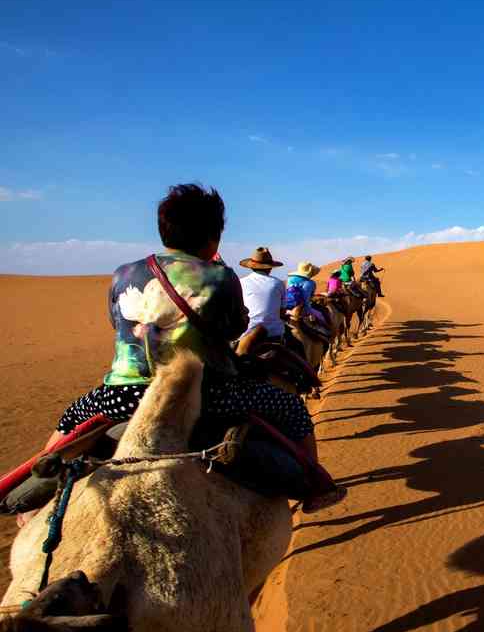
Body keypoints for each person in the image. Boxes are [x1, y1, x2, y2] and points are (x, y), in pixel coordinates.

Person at [44, 184, 344, 514]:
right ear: (214, 237)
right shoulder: (220, 276)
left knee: (70, 418)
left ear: (163, 231)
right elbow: (235, 329)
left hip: (124, 394)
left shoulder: (123, 273)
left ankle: (37, 489)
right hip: (205, 393)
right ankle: (314, 485)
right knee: (292, 408)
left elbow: (116, 322)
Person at [238, 247, 286, 340]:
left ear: (251, 266)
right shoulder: (278, 283)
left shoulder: (241, 282)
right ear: (270, 268)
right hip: (274, 333)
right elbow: (282, 312)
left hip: (247, 333)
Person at [286, 261, 327, 327]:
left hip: (287, 307)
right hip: (300, 309)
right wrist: (309, 312)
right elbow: (306, 300)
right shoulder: (310, 283)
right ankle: (328, 334)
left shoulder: (290, 279)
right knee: (320, 315)